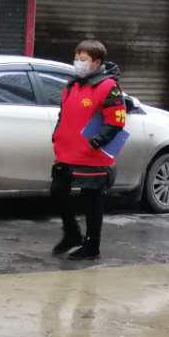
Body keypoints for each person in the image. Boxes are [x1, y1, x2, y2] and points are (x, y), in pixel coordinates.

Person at [50, 39, 127, 261]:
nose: (78, 63)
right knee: (57, 191)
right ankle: (72, 233)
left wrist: (98, 140)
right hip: (66, 151)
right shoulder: (72, 85)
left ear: (97, 62)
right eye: (76, 58)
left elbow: (116, 120)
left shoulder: (108, 87)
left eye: (83, 60)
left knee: (92, 201)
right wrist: (56, 134)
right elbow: (62, 114)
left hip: (92, 156)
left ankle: (92, 245)